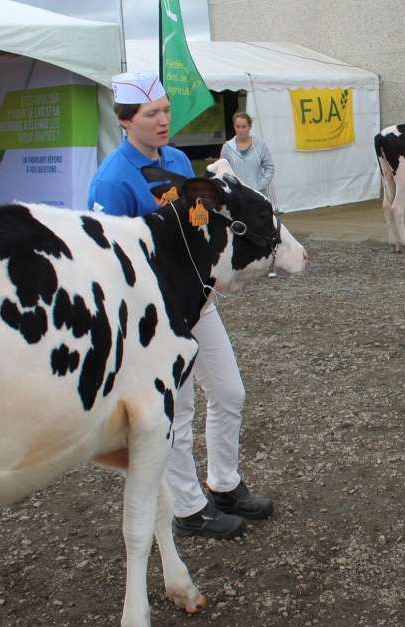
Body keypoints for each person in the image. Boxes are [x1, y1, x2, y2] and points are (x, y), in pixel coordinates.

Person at [88, 70, 273, 541]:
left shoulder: (176, 158)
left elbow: (198, 227)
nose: (164, 120)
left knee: (230, 392)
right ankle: (189, 509)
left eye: (166, 110)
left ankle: (224, 484)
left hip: (197, 302)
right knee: (179, 409)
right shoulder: (111, 180)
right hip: (153, 317)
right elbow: (106, 260)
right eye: (152, 114)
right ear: (126, 121)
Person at [220, 112, 275, 195]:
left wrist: (259, 186)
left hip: (257, 195)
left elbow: (270, 168)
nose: (240, 130)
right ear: (234, 126)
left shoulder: (260, 145)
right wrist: (234, 187)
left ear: (250, 127)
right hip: (236, 197)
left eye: (244, 127)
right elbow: (222, 171)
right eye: (237, 127)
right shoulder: (227, 147)